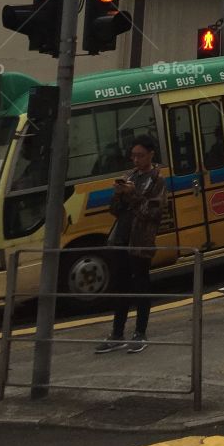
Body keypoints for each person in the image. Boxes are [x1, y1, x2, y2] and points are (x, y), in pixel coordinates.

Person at [94, 135, 167, 355]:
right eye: (133, 156)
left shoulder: (157, 180)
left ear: (151, 154)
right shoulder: (130, 176)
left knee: (141, 286)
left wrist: (132, 195)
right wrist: (118, 195)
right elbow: (115, 211)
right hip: (120, 238)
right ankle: (117, 333)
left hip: (140, 241)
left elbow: (153, 212)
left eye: (140, 155)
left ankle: (140, 332)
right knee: (120, 286)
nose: (136, 160)